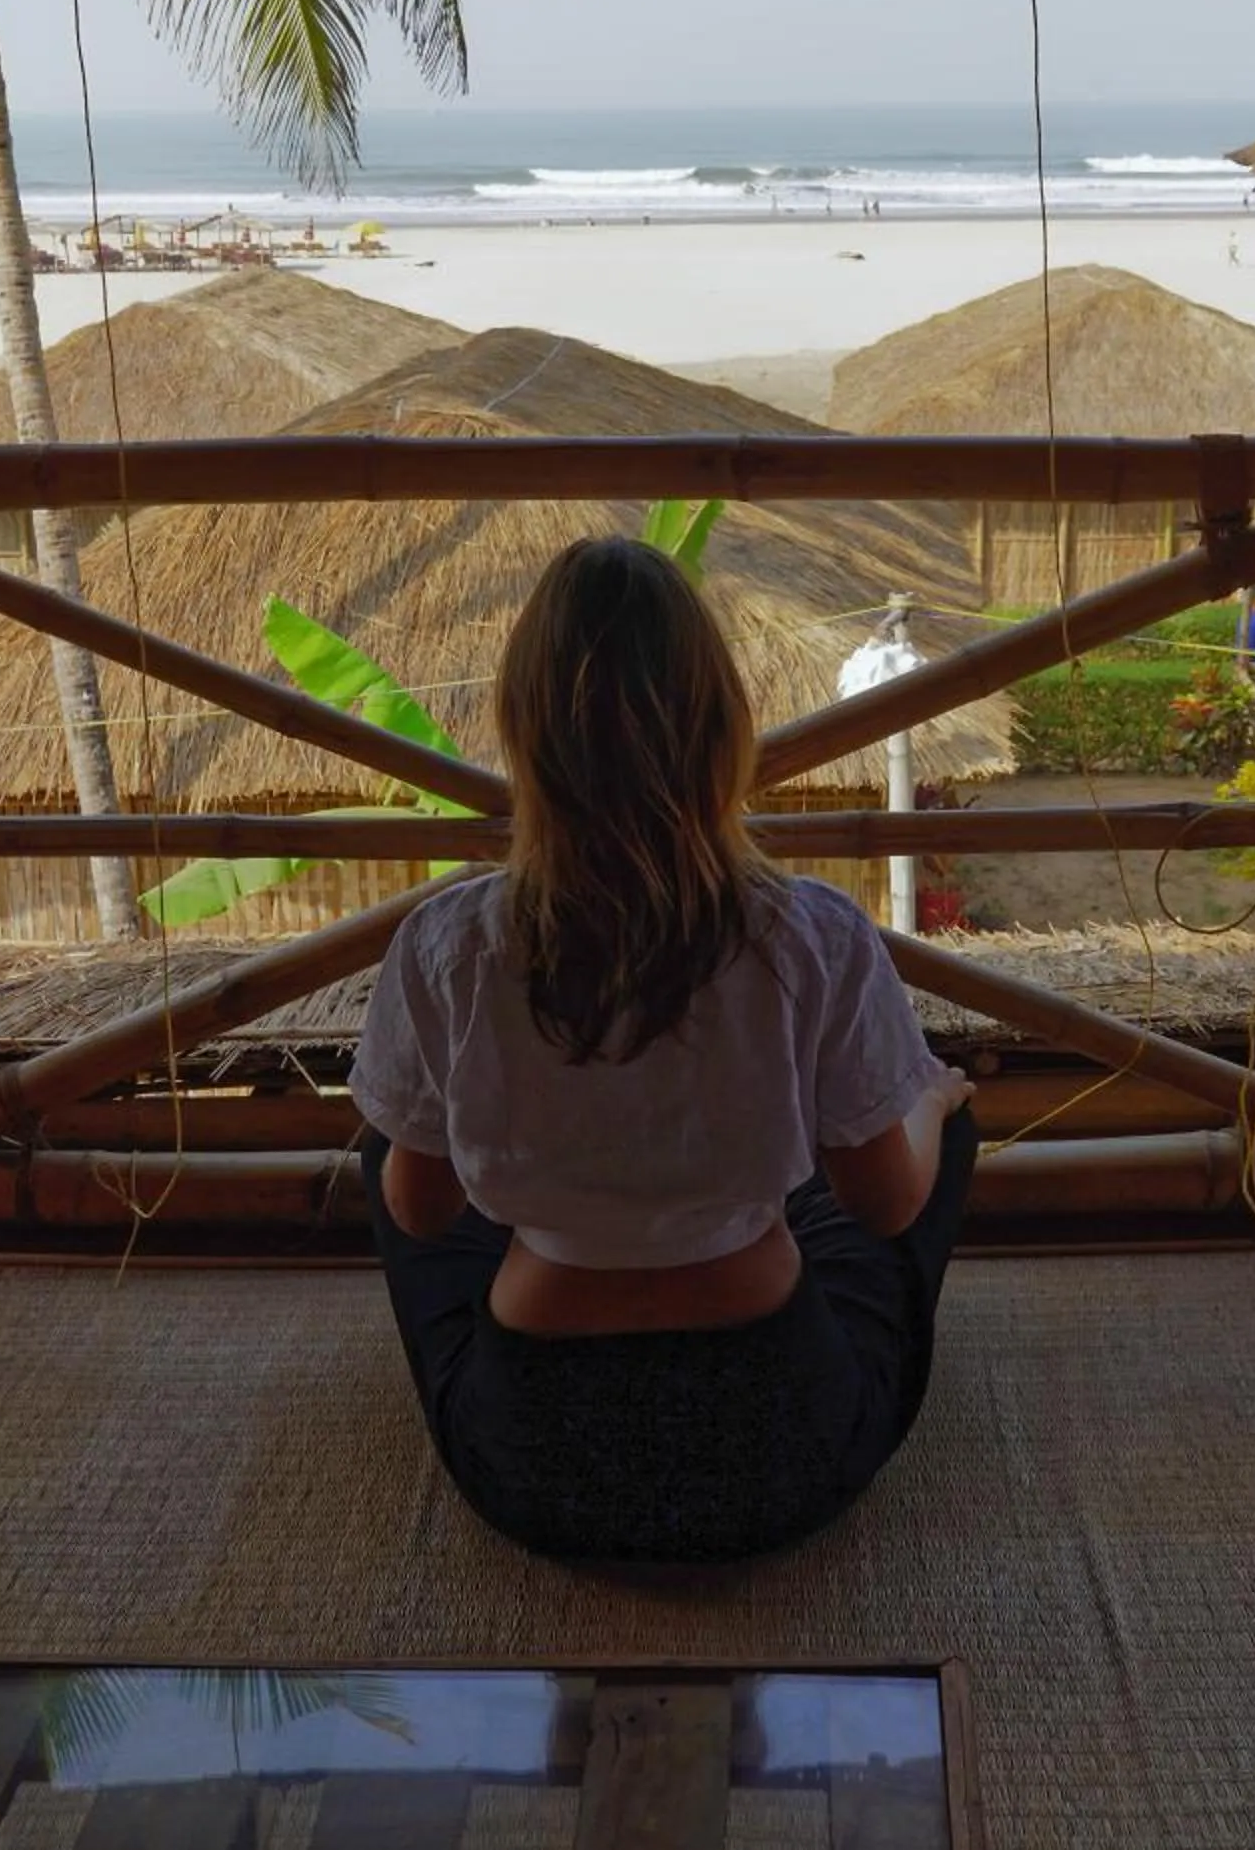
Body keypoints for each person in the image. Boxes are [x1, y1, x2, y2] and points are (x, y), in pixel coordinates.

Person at [351, 537, 980, 1564]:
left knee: (389, 1158)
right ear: (723, 728)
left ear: (523, 735)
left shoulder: (451, 944)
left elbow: (422, 1212)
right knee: (929, 1134)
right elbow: (886, 1206)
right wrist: (932, 1103)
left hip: (533, 1464)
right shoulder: (809, 933)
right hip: (779, 1452)